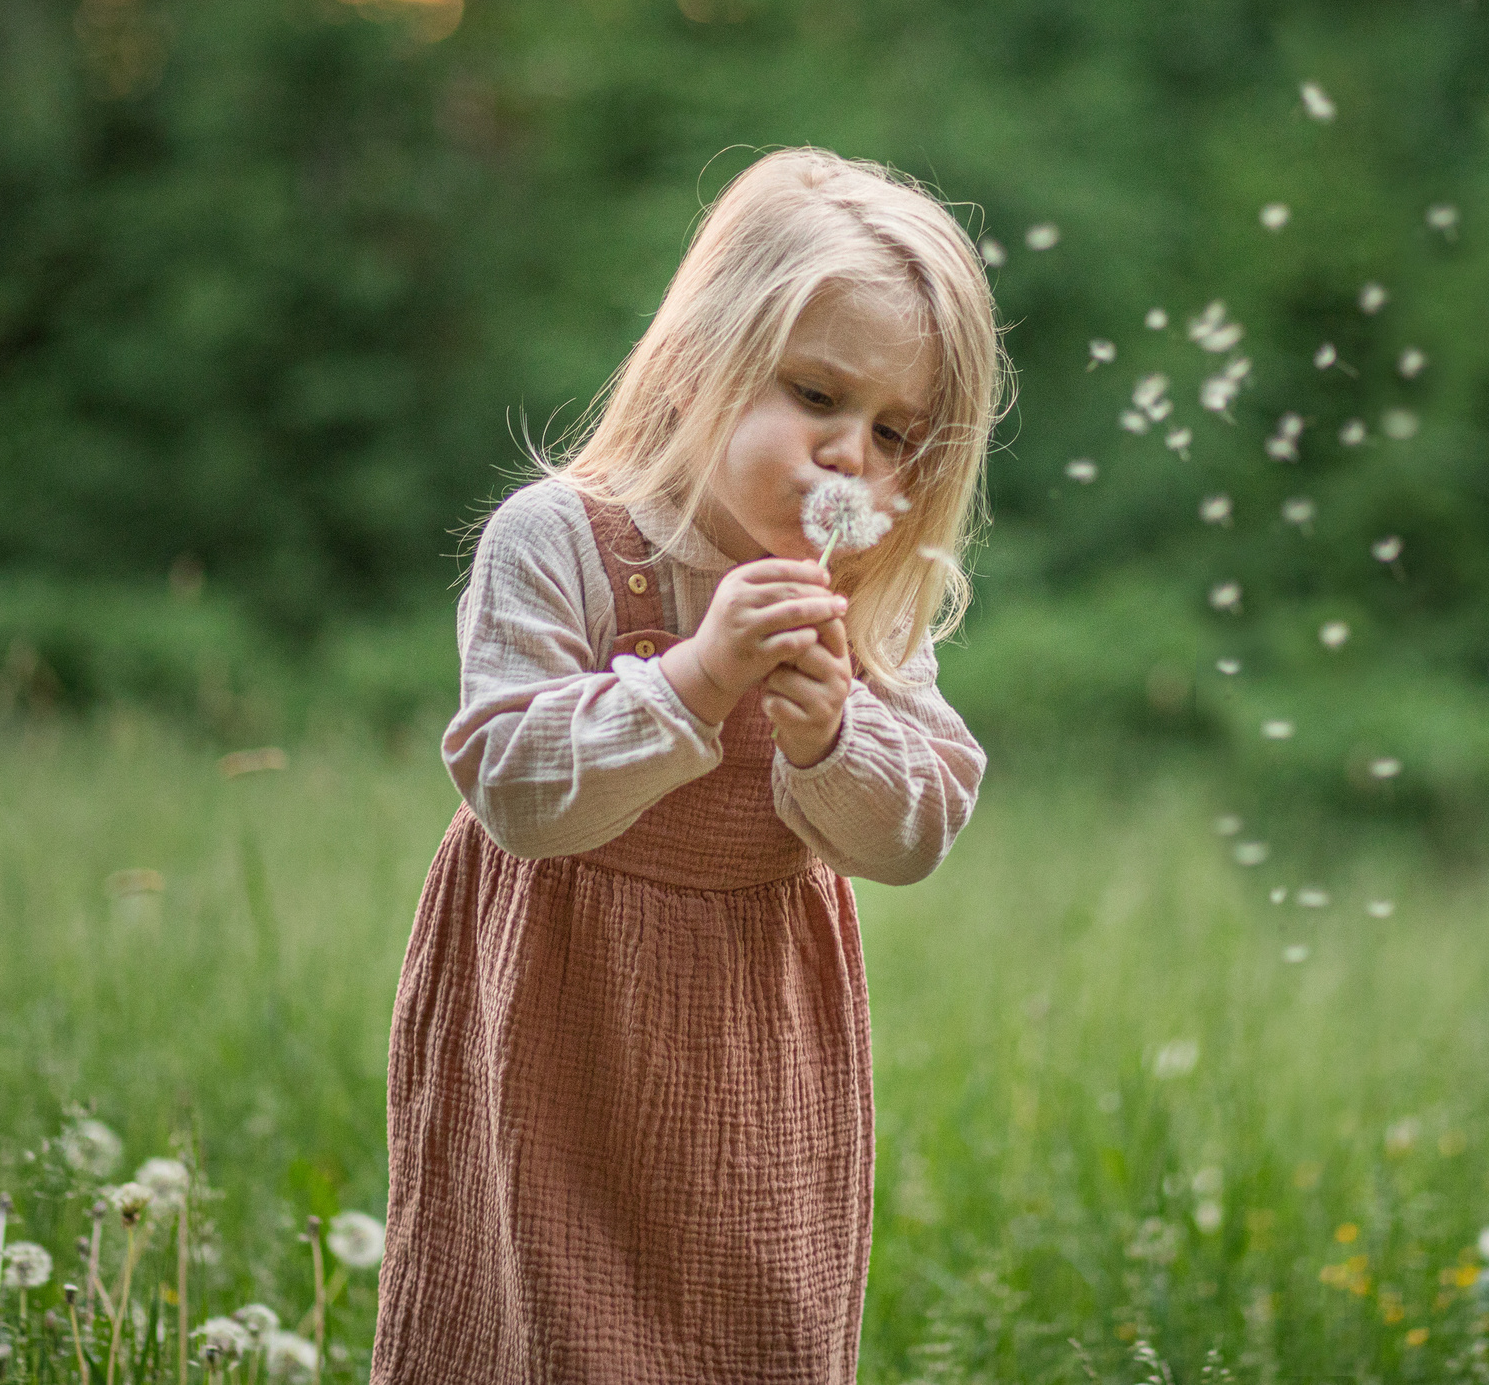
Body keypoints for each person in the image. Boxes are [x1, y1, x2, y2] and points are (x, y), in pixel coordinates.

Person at [372, 147, 1011, 1385]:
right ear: (696, 362)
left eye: (894, 434)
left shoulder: (866, 606)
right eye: (816, 395)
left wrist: (831, 738)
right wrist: (693, 680)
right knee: (545, 1335)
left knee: (751, 1331)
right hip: (558, 1034)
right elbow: (512, 787)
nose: (849, 458)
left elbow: (916, 829)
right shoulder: (559, 539)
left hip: (751, 1050)